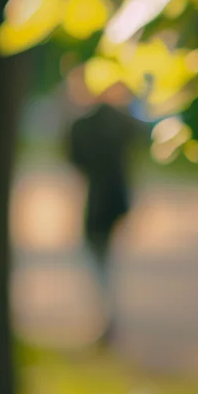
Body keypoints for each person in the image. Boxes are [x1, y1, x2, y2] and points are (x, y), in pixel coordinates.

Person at [63, 70, 142, 346]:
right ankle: (107, 315)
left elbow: (74, 158)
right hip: (118, 198)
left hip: (97, 200)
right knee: (104, 257)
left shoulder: (83, 124)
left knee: (99, 258)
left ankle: (106, 316)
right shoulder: (122, 122)